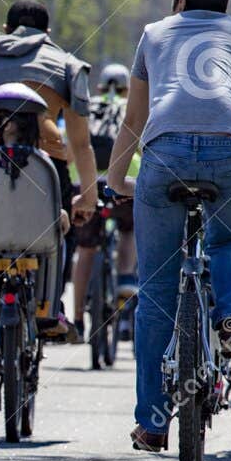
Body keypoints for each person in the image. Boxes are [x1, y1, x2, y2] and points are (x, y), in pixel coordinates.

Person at [106, 0, 231, 453]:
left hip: (163, 155)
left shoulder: (155, 33)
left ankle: (153, 423)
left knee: (156, 289)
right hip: (230, 150)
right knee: (227, 240)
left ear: (179, 3)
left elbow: (135, 118)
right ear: (223, 8)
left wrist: (115, 177)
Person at [0, 0, 97, 417]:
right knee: (55, 237)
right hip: (46, 170)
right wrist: (87, 196)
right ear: (46, 32)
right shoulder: (66, 65)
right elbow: (82, 143)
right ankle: (52, 308)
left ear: (6, 27)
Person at [69, 62, 139, 341]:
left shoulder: (89, 107)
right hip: (123, 179)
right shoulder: (131, 109)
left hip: (83, 180)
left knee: (85, 249)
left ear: (100, 87)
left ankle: (76, 317)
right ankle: (124, 278)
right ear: (127, 88)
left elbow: (71, 145)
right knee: (128, 229)